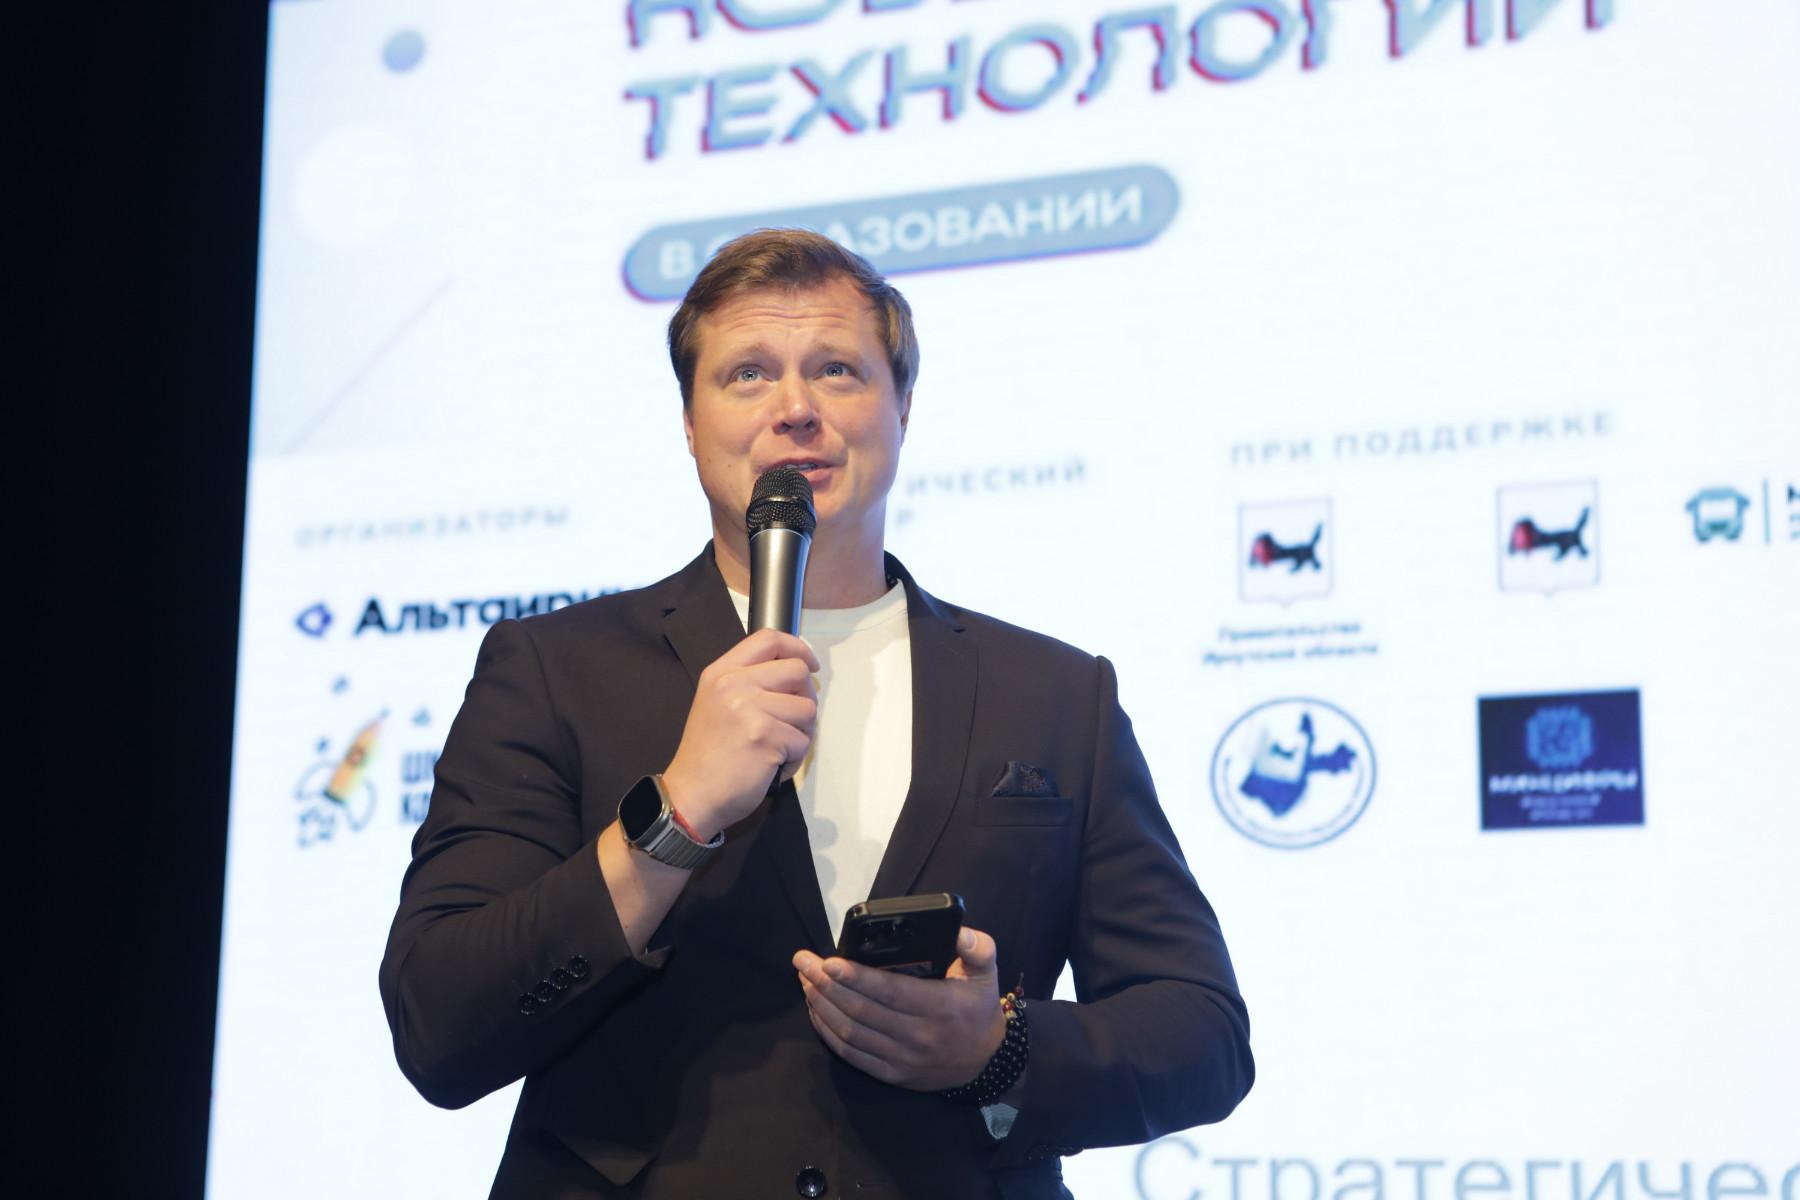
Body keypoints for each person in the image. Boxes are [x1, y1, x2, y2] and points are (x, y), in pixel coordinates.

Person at [379, 229, 1252, 1199]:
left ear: (902, 407)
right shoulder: (553, 671)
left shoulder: (1054, 693)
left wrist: (996, 1051)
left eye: (837, 369)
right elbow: (439, 1024)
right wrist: (675, 817)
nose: (795, 407)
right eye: (747, 374)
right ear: (690, 421)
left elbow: (1202, 1035)